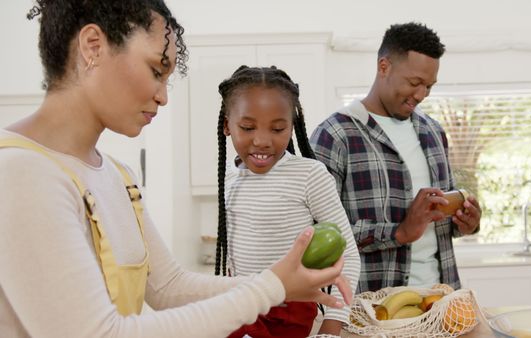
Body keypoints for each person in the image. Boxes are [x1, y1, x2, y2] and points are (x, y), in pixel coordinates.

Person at [0, 1, 351, 337]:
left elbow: (169, 288)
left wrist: (283, 284)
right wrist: (271, 287)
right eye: (156, 71)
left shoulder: (118, 176)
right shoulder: (23, 172)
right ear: (93, 46)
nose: (163, 96)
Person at [310, 22, 482, 293]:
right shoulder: (334, 135)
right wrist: (399, 232)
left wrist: (466, 223)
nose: (421, 95)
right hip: (372, 308)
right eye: (414, 83)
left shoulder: (433, 132)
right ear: (383, 67)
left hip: (442, 301)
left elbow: (437, 224)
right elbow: (316, 234)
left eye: (429, 86)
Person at [214, 65, 361, 337]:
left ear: (291, 127)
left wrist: (335, 321)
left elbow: (348, 255)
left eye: (278, 129)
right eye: (247, 127)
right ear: (227, 125)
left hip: (291, 311)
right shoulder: (229, 178)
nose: (262, 141)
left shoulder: (309, 175)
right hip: (241, 304)